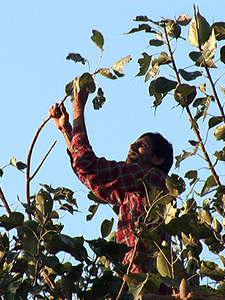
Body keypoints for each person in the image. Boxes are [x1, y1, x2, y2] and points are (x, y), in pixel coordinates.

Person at [48, 81, 173, 274]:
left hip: (142, 279)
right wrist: (67, 131)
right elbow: (92, 178)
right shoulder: (136, 190)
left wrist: (78, 110)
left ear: (157, 159)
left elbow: (89, 167)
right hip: (133, 279)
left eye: (142, 145)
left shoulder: (149, 176)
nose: (131, 146)